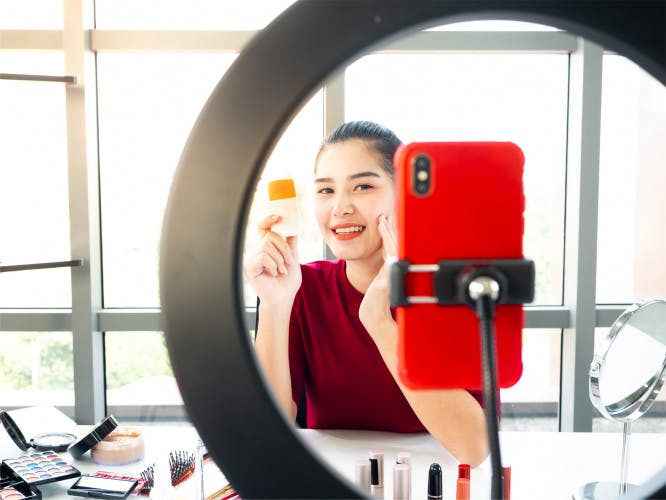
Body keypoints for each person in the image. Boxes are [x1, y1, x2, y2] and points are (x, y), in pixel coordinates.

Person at [244, 120, 488, 467]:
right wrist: (274, 303)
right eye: (326, 191)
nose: (340, 207)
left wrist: (378, 321)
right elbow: (264, 436)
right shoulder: (303, 287)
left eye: (362, 186)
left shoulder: (450, 293)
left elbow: (474, 447)